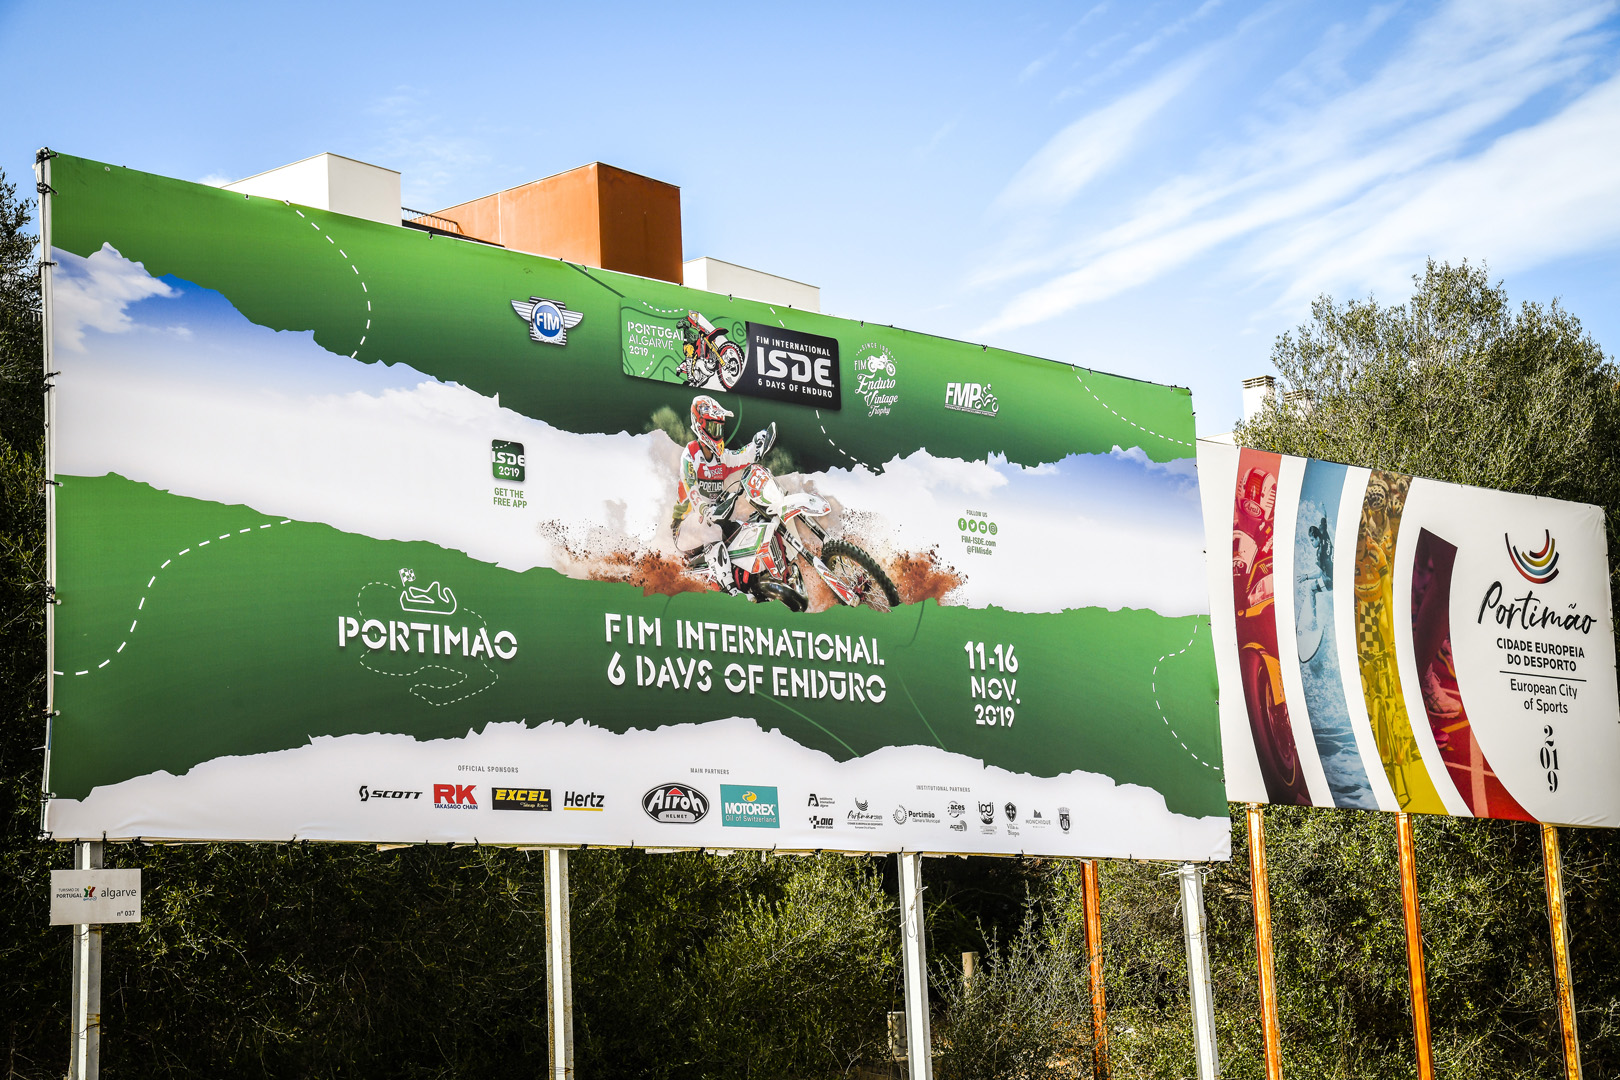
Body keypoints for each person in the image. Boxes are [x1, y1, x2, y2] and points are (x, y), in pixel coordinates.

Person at [671, 395, 776, 595]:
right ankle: (730, 590)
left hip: (714, 520)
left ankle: (755, 583)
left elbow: (743, 456)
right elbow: (691, 487)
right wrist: (703, 508)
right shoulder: (691, 454)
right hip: (685, 527)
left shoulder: (722, 457)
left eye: (719, 428)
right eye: (713, 428)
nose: (717, 433)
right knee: (711, 530)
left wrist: (759, 443)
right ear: (700, 426)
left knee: (747, 531)